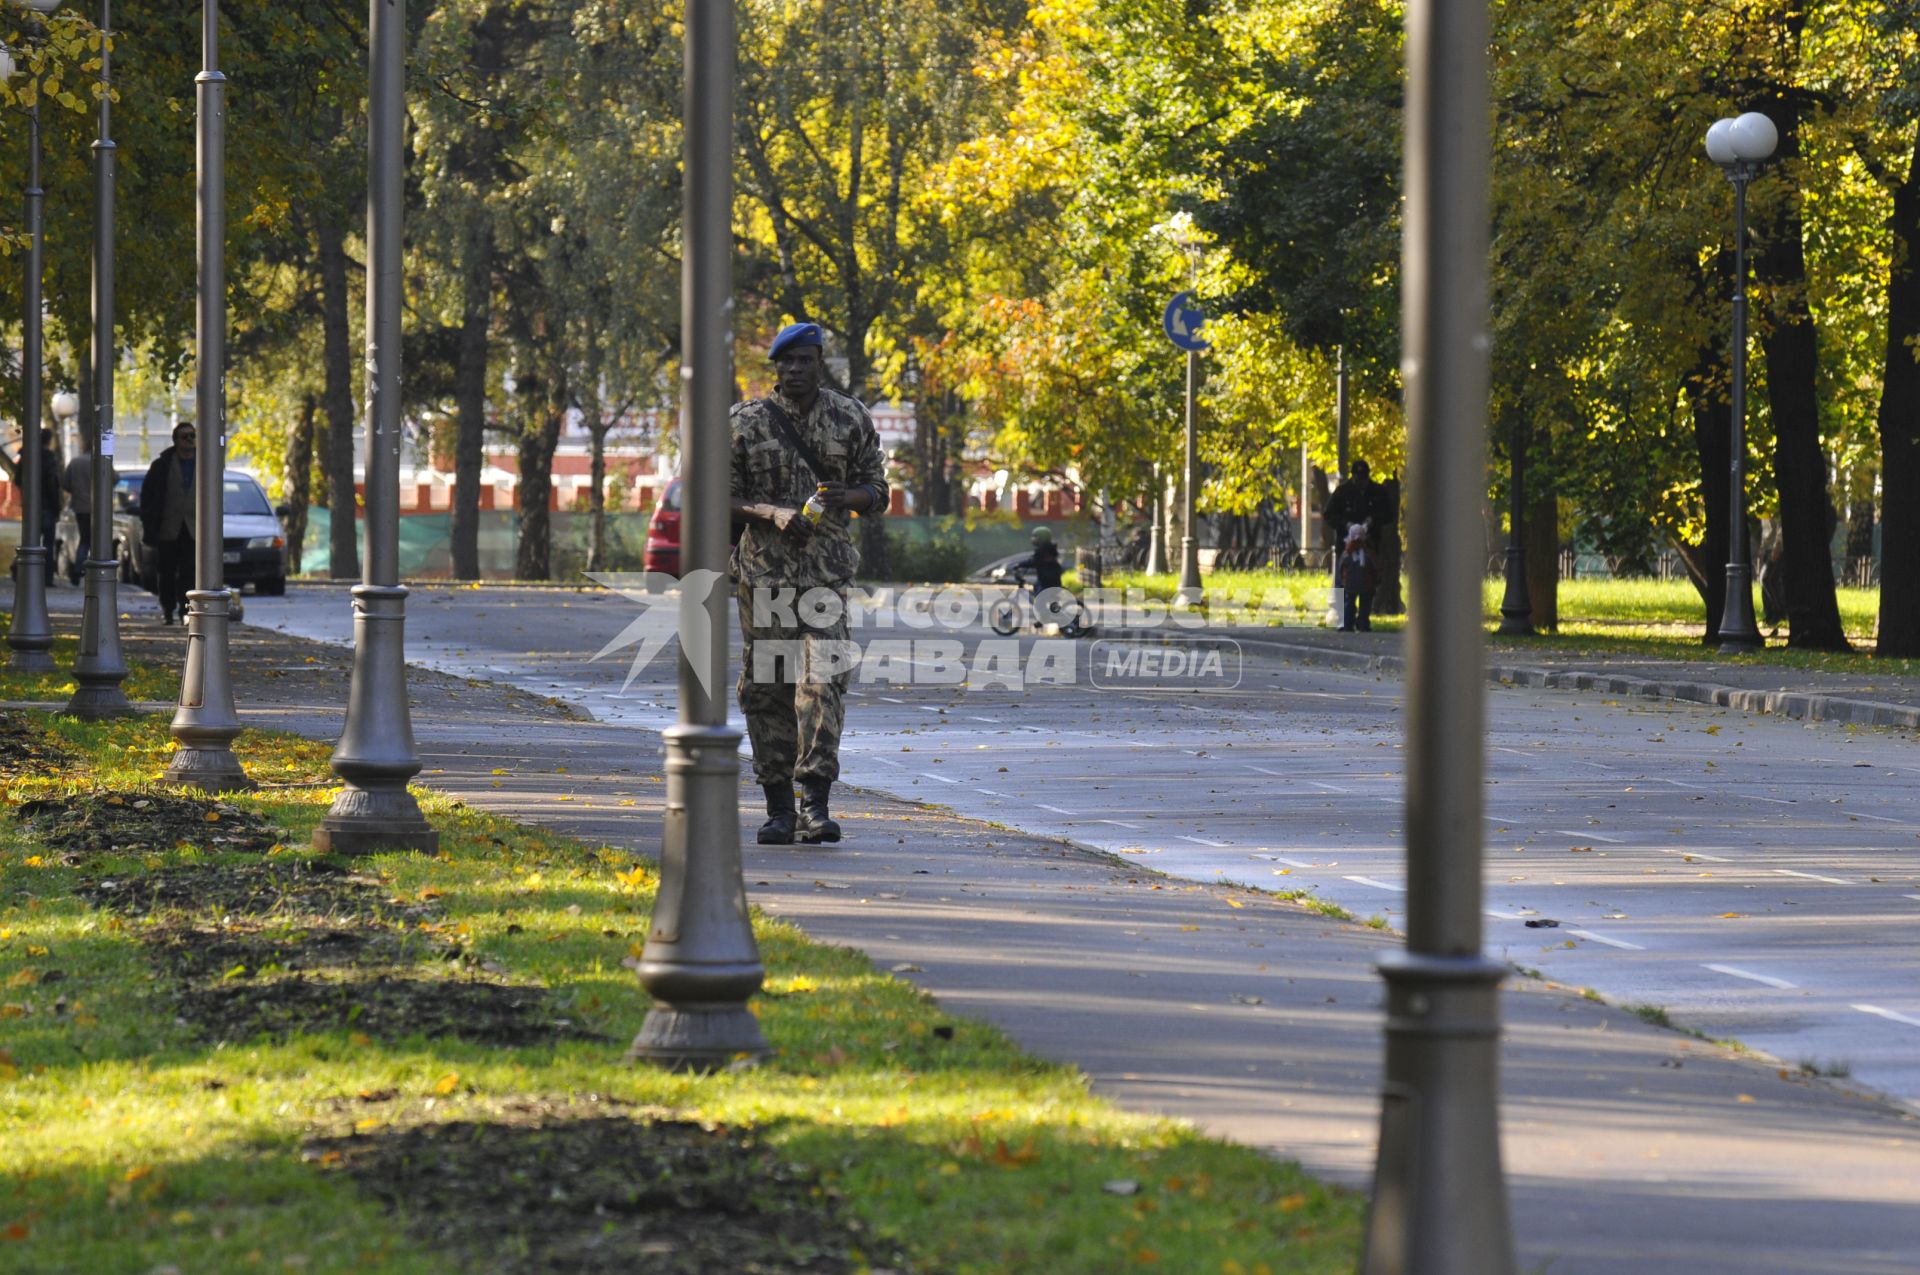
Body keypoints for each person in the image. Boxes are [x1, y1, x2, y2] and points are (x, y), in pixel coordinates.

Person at [729, 322, 889, 846]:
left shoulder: (850, 416)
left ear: (820, 363)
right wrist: (771, 513)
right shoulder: (746, 422)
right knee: (768, 691)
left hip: (826, 578)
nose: (795, 370)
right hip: (765, 578)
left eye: (805, 361)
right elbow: (719, 495)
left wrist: (850, 496)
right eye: (786, 362)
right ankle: (777, 808)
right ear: (774, 366)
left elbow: (878, 490)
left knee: (823, 683)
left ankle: (815, 805)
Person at [140, 421, 198, 625]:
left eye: (192, 435)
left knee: (190, 572)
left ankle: (186, 609)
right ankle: (167, 609)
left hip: (194, 528)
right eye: (185, 436)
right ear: (176, 441)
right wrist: (150, 521)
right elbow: (147, 496)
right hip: (168, 527)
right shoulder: (162, 465)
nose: (190, 440)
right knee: (166, 572)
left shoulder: (205, 463)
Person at [1324, 460, 1385, 631]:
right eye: (1358, 479)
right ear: (1353, 477)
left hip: (1370, 547)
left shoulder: (1376, 492)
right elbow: (1329, 514)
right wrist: (1346, 525)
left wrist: (1372, 521)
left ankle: (1363, 620)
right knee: (1342, 582)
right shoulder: (1343, 493)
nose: (1361, 483)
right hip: (1346, 548)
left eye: (1364, 479)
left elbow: (1387, 514)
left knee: (1368, 585)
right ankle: (1344, 619)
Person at [61, 437, 94, 585]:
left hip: (80, 506)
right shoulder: (100, 461)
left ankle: (77, 569)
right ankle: (94, 568)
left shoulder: (75, 462)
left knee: (84, 539)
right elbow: (114, 478)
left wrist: (77, 491)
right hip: (98, 508)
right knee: (96, 540)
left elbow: (65, 483)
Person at [1010, 525, 1064, 593]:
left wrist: (1019, 565)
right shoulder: (1046, 548)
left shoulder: (1044, 549)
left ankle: (1052, 603)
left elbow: (1035, 561)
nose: (1032, 539)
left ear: (1042, 538)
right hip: (1047, 578)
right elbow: (1035, 560)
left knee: (1040, 596)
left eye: (1035, 536)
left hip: (1048, 579)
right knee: (1036, 587)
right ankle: (1052, 603)